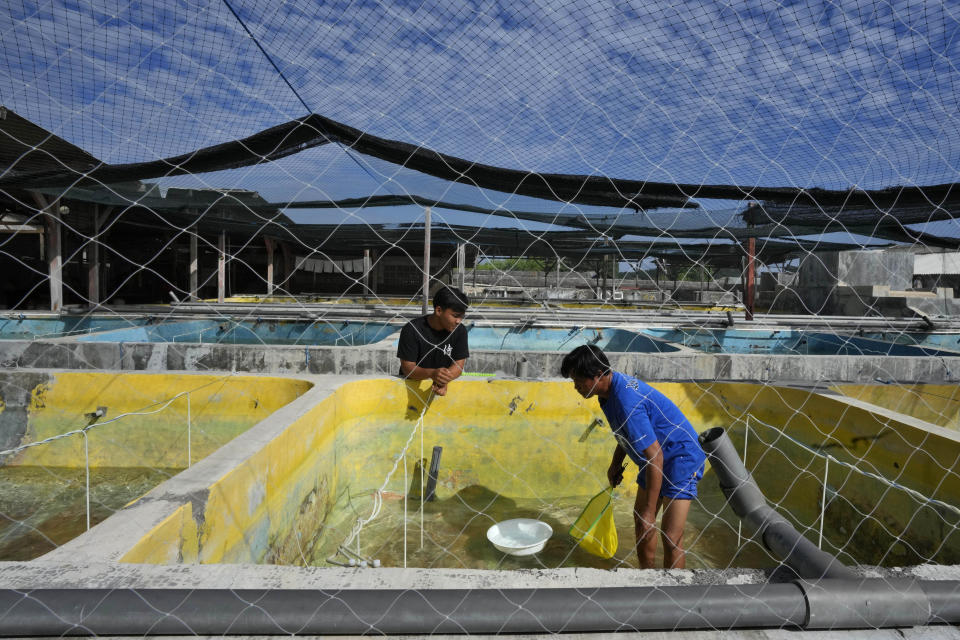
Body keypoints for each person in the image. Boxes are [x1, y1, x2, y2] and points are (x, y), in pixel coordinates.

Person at [561, 344, 705, 569]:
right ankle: (646, 578)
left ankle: (675, 592)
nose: (576, 387)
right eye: (573, 382)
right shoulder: (607, 394)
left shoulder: (627, 400)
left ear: (599, 375)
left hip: (680, 456)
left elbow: (655, 456)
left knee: (670, 534)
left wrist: (650, 511)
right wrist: (615, 463)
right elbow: (628, 433)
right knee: (641, 522)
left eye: (579, 381)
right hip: (654, 457)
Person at [396, 286, 469, 396]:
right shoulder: (412, 329)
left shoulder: (460, 331)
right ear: (439, 311)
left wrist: (444, 379)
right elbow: (408, 368)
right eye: (455, 316)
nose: (459, 321)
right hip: (410, 389)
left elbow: (458, 365)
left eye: (462, 317)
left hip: (440, 385)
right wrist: (432, 373)